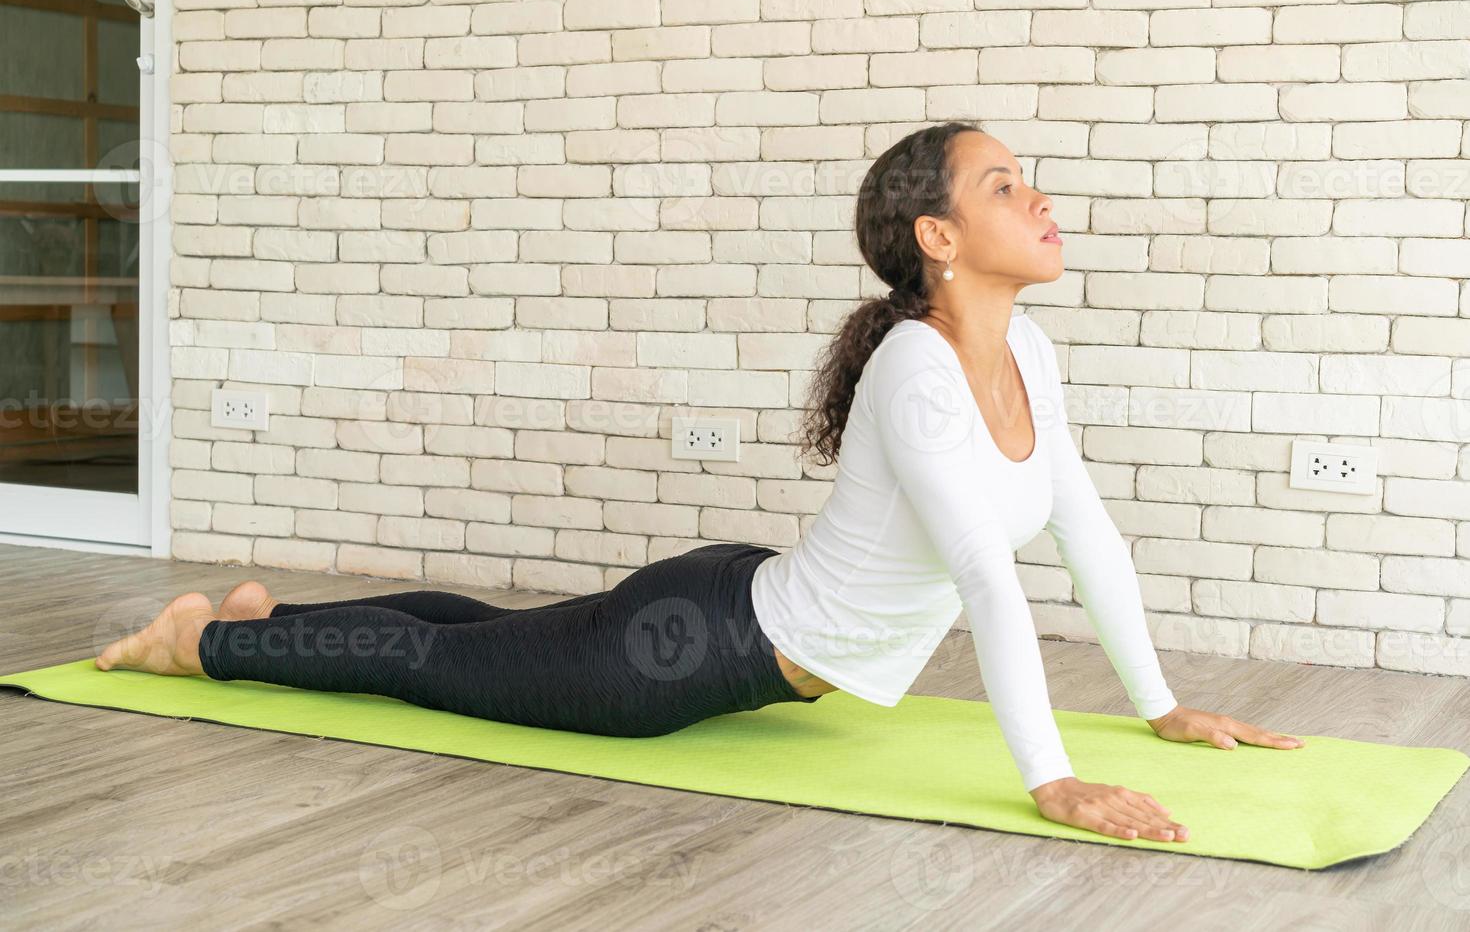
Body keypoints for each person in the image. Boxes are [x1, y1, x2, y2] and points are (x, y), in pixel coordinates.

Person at [97, 121, 1304, 845]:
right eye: (1001, 184)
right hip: (688, 648)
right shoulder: (916, 369)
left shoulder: (1023, 351)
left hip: (731, 602)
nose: (1036, 196)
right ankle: (201, 645)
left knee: (501, 640)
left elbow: (1084, 531)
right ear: (937, 236)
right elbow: (990, 575)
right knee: (445, 667)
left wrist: (1158, 706)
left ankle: (274, 620)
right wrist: (1053, 779)